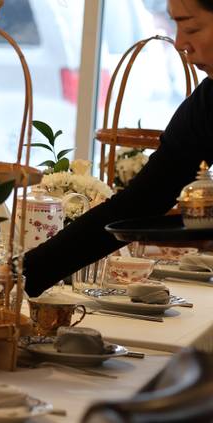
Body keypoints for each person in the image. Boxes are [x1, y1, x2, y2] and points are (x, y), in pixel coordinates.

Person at [24, 0, 213, 297]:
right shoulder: (208, 104)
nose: (179, 43)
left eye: (191, 28)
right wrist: (20, 276)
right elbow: (141, 201)